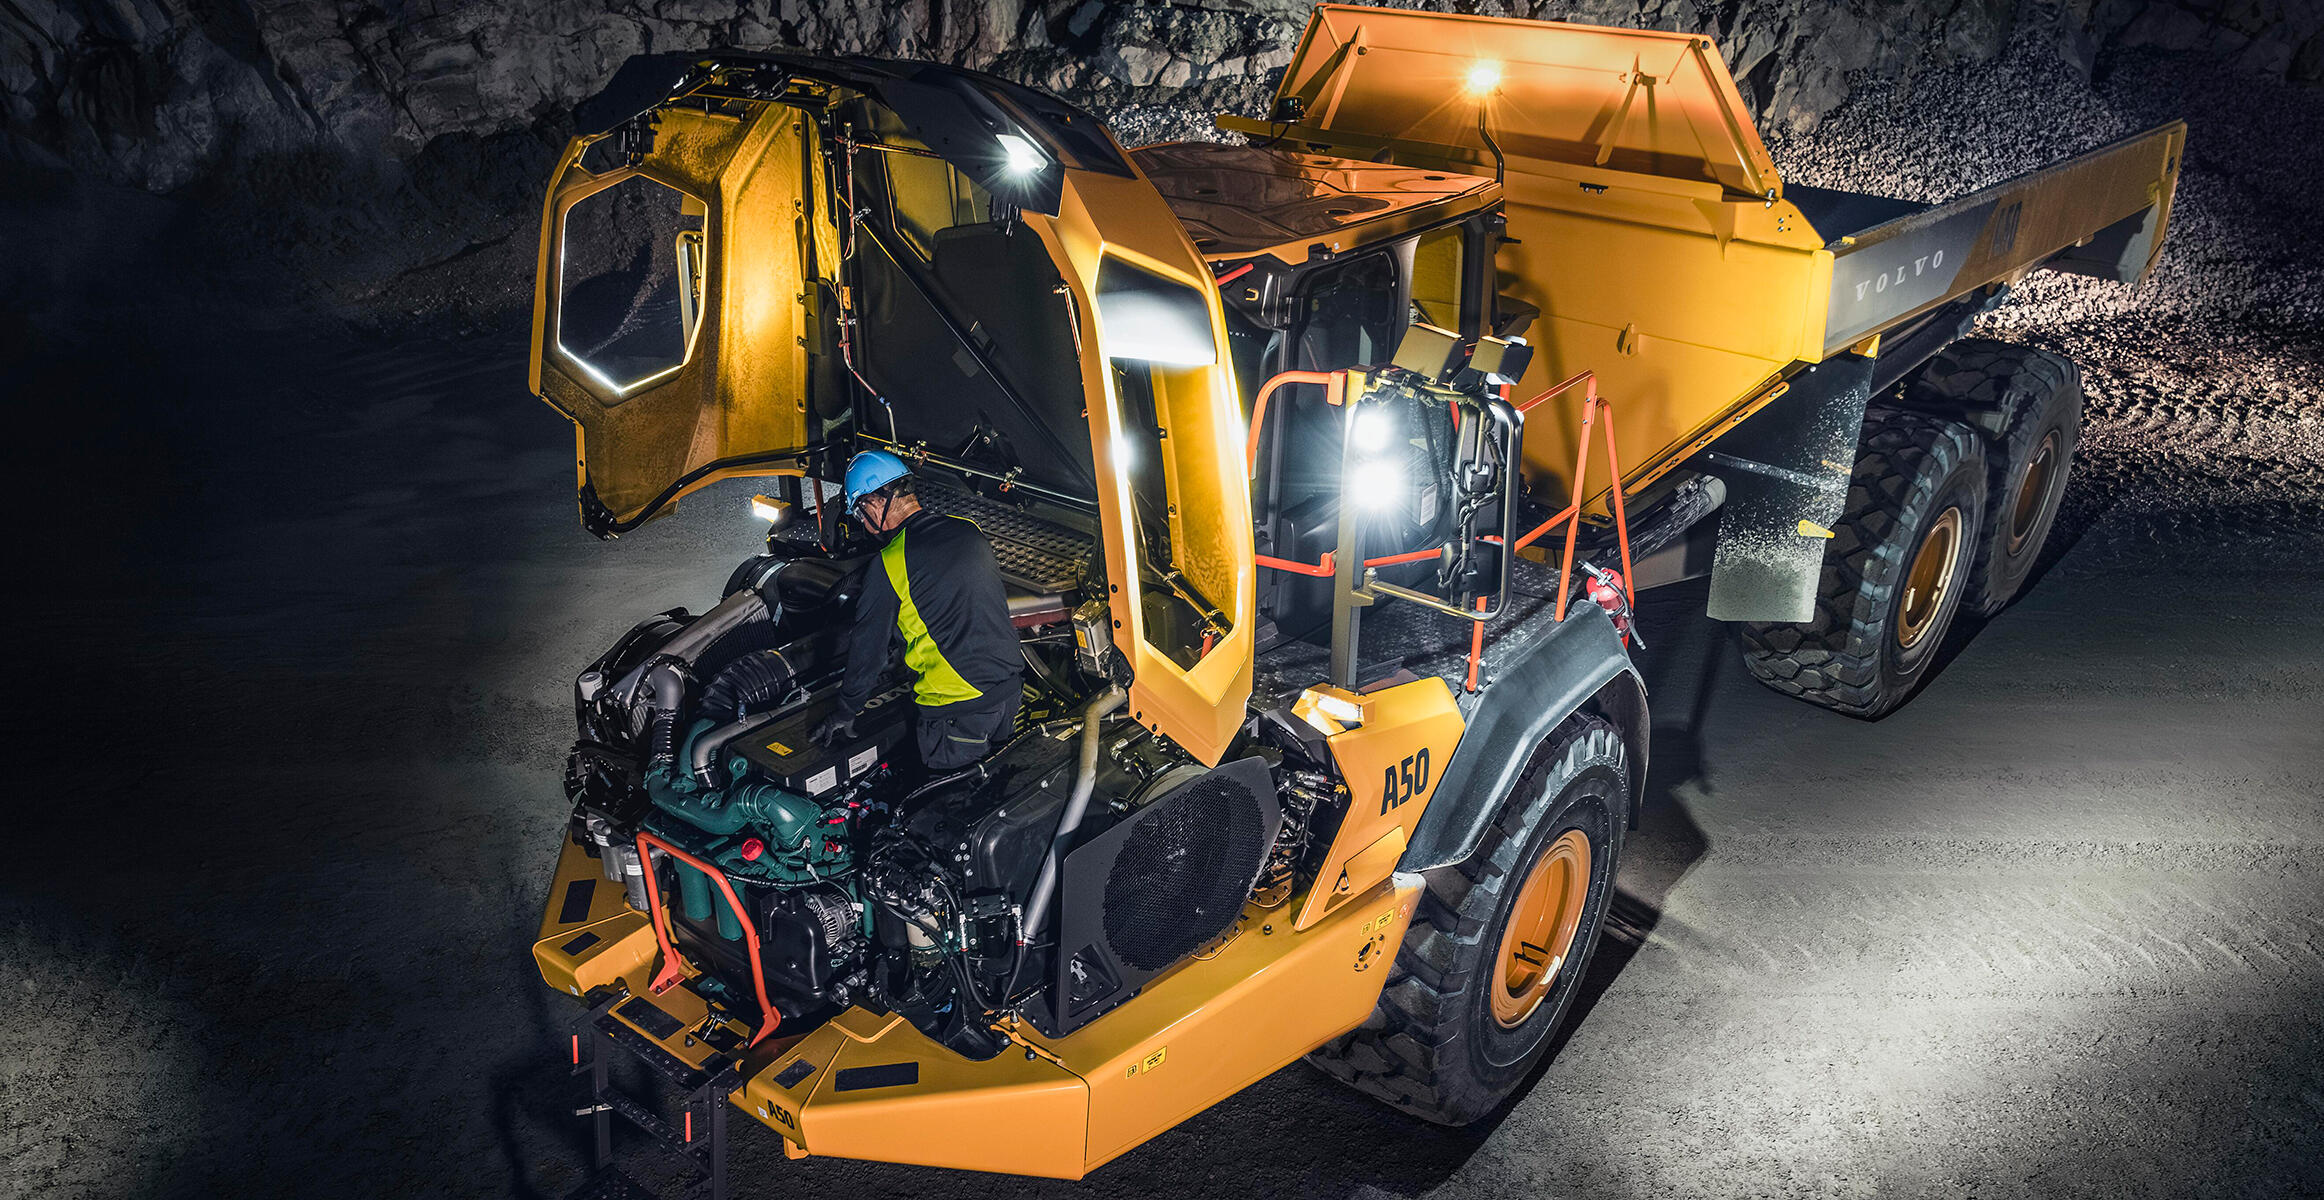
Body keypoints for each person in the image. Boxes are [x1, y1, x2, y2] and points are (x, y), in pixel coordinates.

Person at [812, 450, 1023, 770]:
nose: (863, 524)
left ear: (872, 503)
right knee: (994, 786)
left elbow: (869, 651)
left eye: (859, 514)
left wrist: (845, 711)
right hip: (1008, 694)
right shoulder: (968, 529)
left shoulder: (890, 563)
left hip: (957, 710)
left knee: (950, 804)